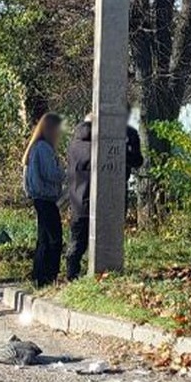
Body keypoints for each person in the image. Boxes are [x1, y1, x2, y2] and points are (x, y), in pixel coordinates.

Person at [65, 115, 144, 281]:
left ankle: (72, 277)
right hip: (103, 200)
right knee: (100, 243)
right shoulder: (98, 147)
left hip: (79, 198)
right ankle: (91, 275)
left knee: (78, 242)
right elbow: (135, 160)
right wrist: (130, 142)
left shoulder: (75, 144)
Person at [23, 113, 66, 288]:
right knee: (54, 239)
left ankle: (39, 276)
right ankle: (48, 276)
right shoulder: (44, 149)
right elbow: (51, 174)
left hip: (38, 197)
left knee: (43, 239)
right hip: (46, 198)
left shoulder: (34, 148)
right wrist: (64, 170)